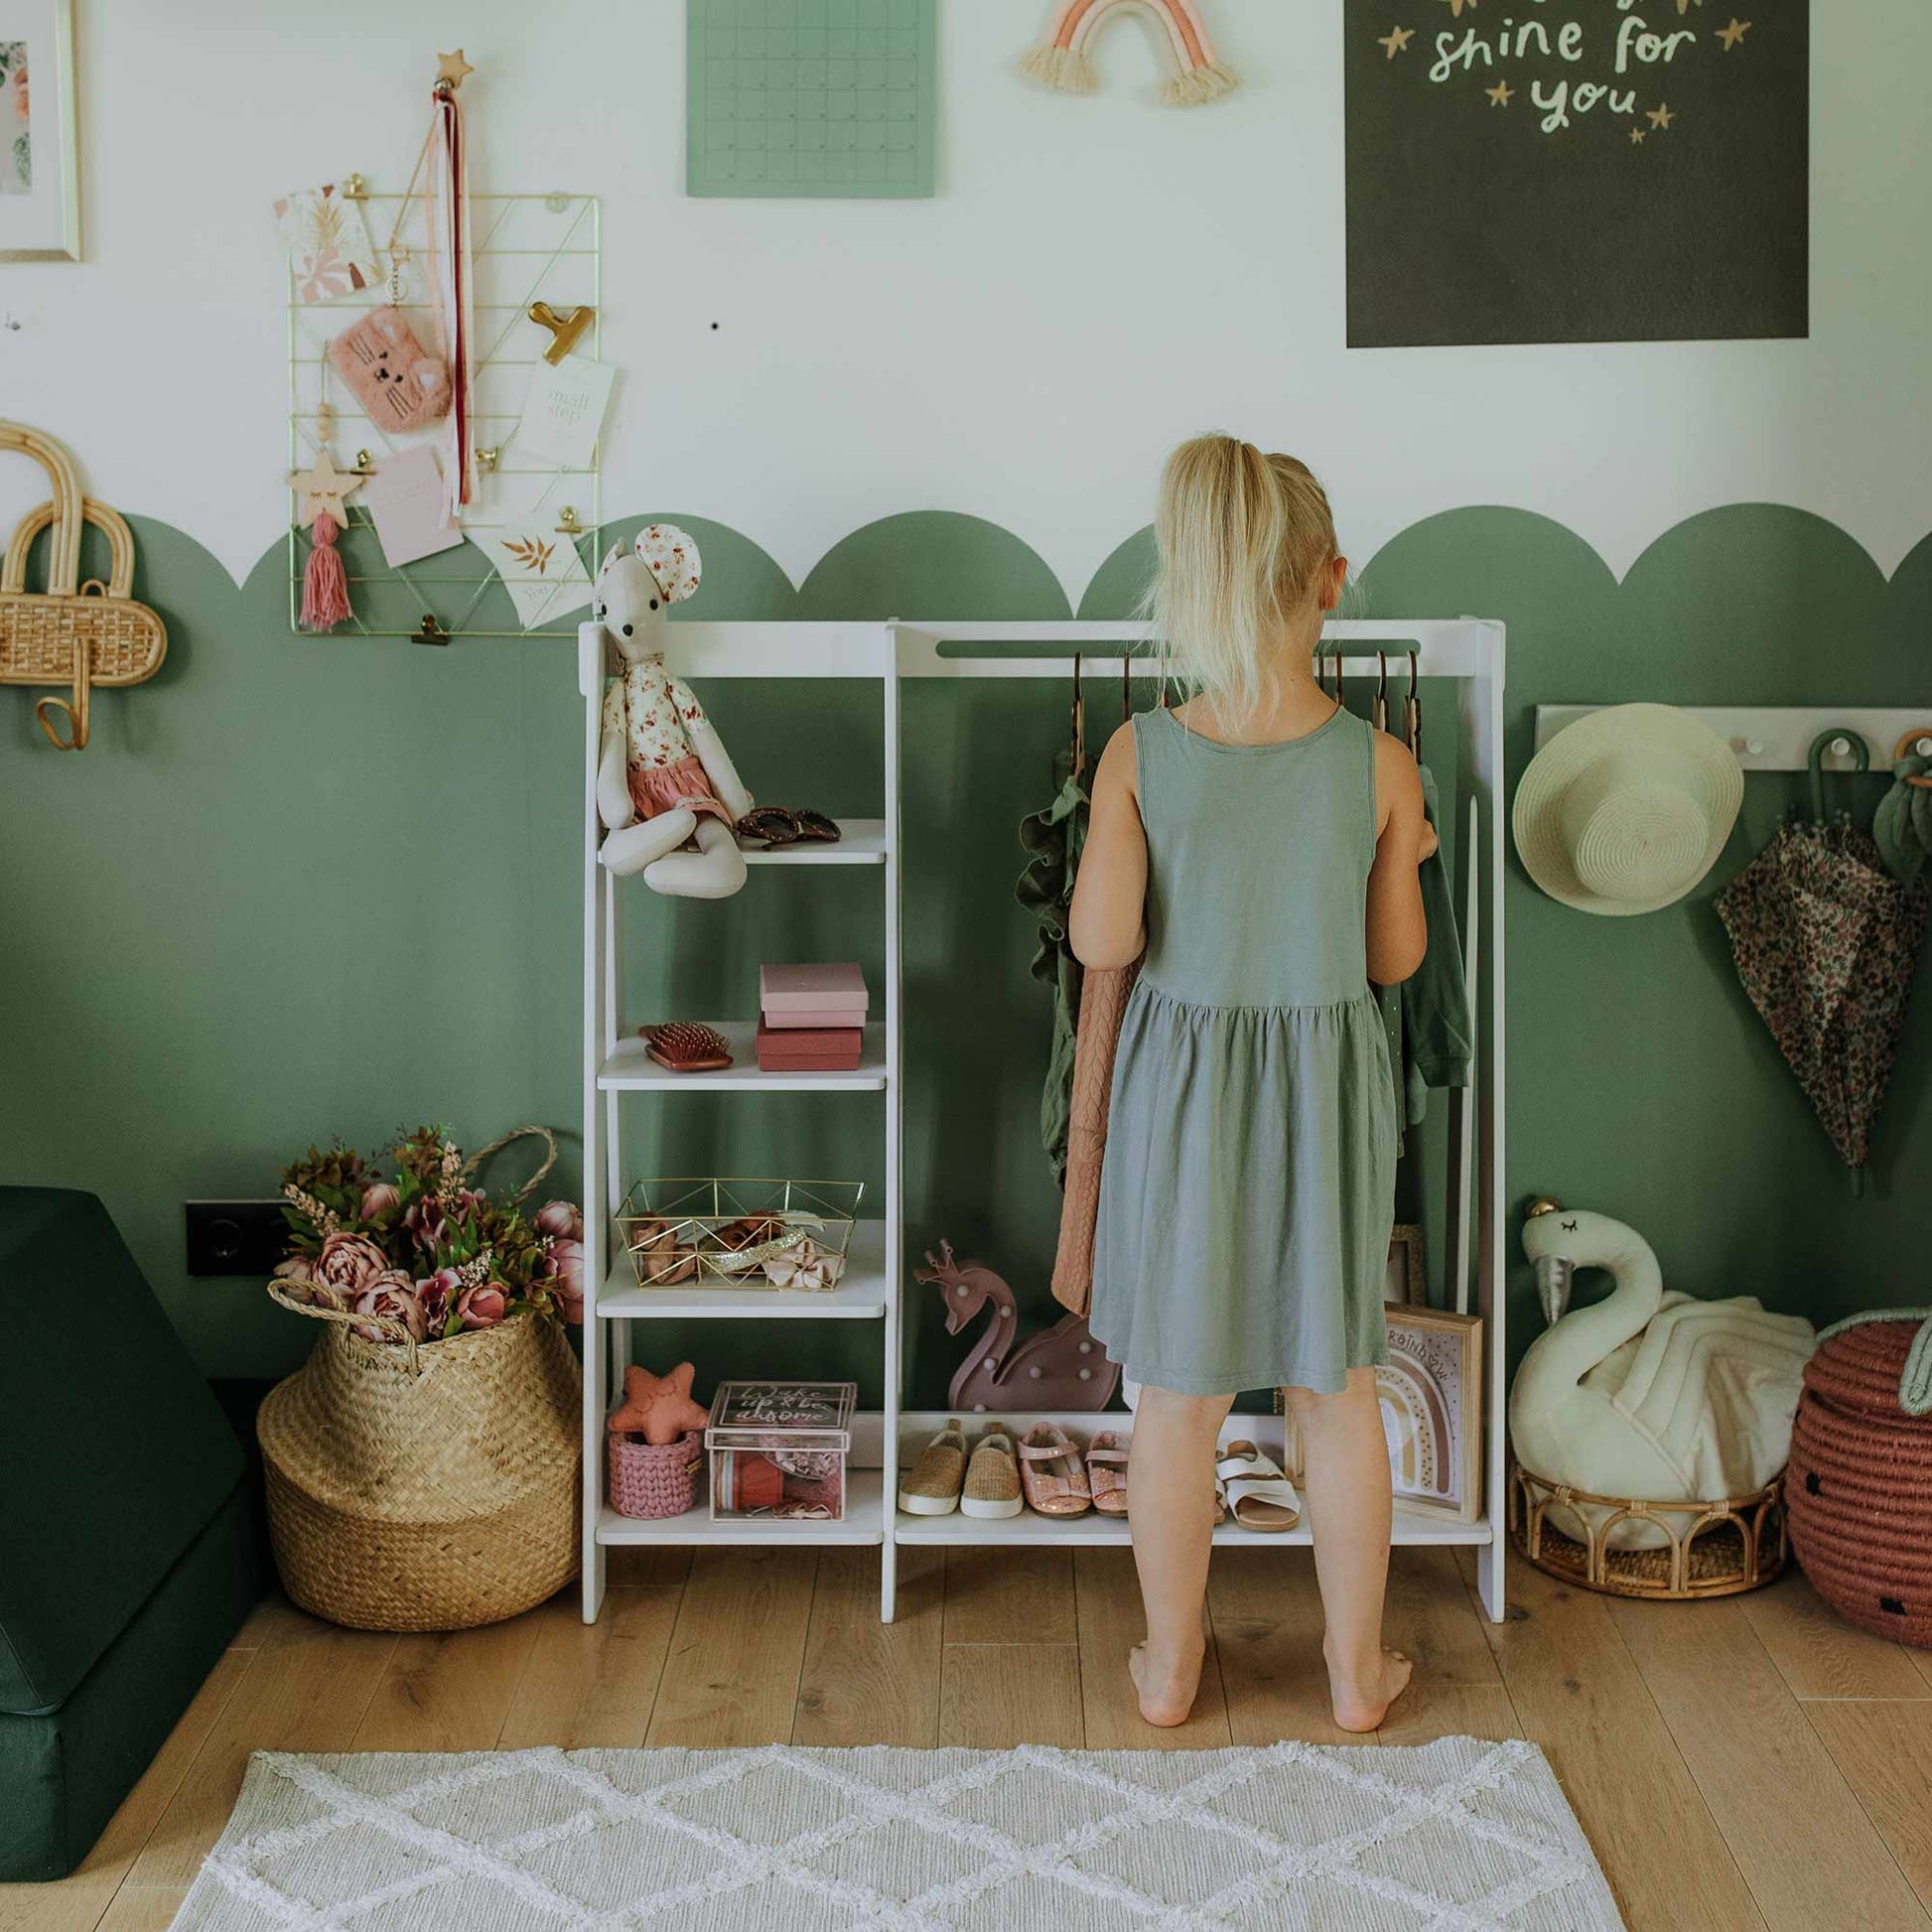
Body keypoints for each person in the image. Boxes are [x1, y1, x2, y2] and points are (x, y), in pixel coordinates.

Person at [1068, 433, 1427, 1732]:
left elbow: (1103, 944)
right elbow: (1393, 957)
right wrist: (1401, 855)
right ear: (1330, 579)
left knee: (1177, 1403)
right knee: (1333, 1397)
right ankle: (1352, 1673)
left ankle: (1167, 1670)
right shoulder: (1379, 764)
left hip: (1181, 1101)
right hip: (1325, 1101)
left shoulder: (1137, 752)